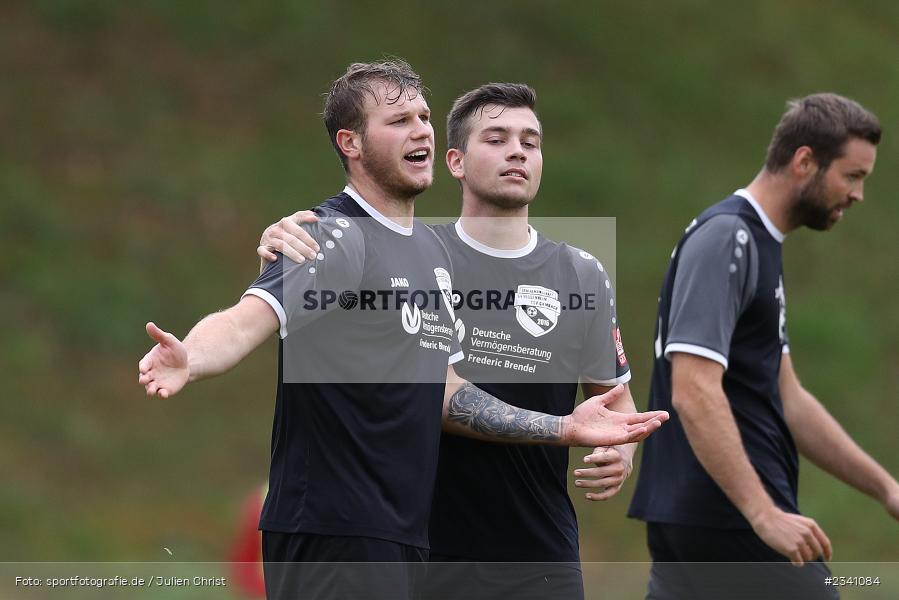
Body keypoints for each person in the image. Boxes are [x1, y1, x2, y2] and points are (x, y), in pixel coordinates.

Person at [138, 61, 667, 600]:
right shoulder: (339, 237)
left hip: (404, 536)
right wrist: (193, 357)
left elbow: (442, 388)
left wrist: (565, 430)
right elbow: (248, 318)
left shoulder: (429, 253)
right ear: (351, 142)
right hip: (336, 530)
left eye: (424, 117)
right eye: (398, 120)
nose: (420, 131)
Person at [259, 83, 641, 600]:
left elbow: (613, 399)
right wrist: (282, 240)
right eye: (498, 138)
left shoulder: (581, 273)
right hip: (424, 549)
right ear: (455, 161)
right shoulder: (413, 256)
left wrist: (620, 449)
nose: (517, 151)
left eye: (531, 141)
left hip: (539, 552)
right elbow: (322, 266)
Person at [625, 93, 899, 599]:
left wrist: (886, 488)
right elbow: (694, 390)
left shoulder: (758, 243)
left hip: (704, 520)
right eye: (852, 176)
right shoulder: (729, 238)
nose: (858, 195)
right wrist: (762, 513)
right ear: (804, 162)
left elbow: (789, 399)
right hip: (730, 520)